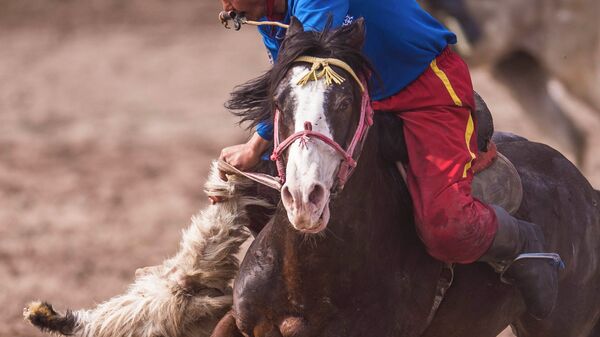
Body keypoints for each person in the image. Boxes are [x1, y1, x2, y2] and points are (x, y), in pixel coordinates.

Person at [218, 0, 561, 319]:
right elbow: (297, 88)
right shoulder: (269, 14)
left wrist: (255, 145)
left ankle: (522, 242)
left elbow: (316, 66)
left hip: (426, 87)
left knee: (447, 227)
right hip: (360, 99)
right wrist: (253, 149)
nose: (225, 6)